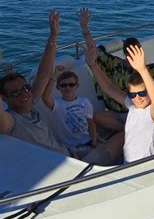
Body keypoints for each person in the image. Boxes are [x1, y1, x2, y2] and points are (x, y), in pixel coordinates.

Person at [0, 10, 118, 165]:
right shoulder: (11, 122)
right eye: (15, 92)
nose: (24, 94)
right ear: (4, 98)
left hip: (72, 153)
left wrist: (53, 36)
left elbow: (43, 73)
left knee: (117, 133)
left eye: (25, 88)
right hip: (69, 167)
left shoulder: (30, 104)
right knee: (122, 137)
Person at [78, 8, 154, 132]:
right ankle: (126, 129)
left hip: (138, 113)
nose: (131, 55)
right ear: (124, 53)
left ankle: (128, 130)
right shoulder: (114, 64)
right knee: (97, 117)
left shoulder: (146, 71)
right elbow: (94, 52)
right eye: (128, 52)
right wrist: (85, 29)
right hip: (118, 112)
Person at [85, 40, 154, 164]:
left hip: (141, 166)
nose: (137, 97)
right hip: (125, 160)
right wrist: (93, 66)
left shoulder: (152, 113)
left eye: (142, 93)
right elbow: (108, 88)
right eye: (133, 94)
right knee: (89, 159)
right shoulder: (132, 105)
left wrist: (142, 70)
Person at [42, 65, 97, 150]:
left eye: (71, 84)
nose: (67, 87)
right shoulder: (57, 104)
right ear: (58, 87)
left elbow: (91, 123)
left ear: (77, 86)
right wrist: (54, 77)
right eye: (63, 85)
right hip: (69, 147)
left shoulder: (85, 102)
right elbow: (45, 98)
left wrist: (94, 142)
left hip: (87, 141)